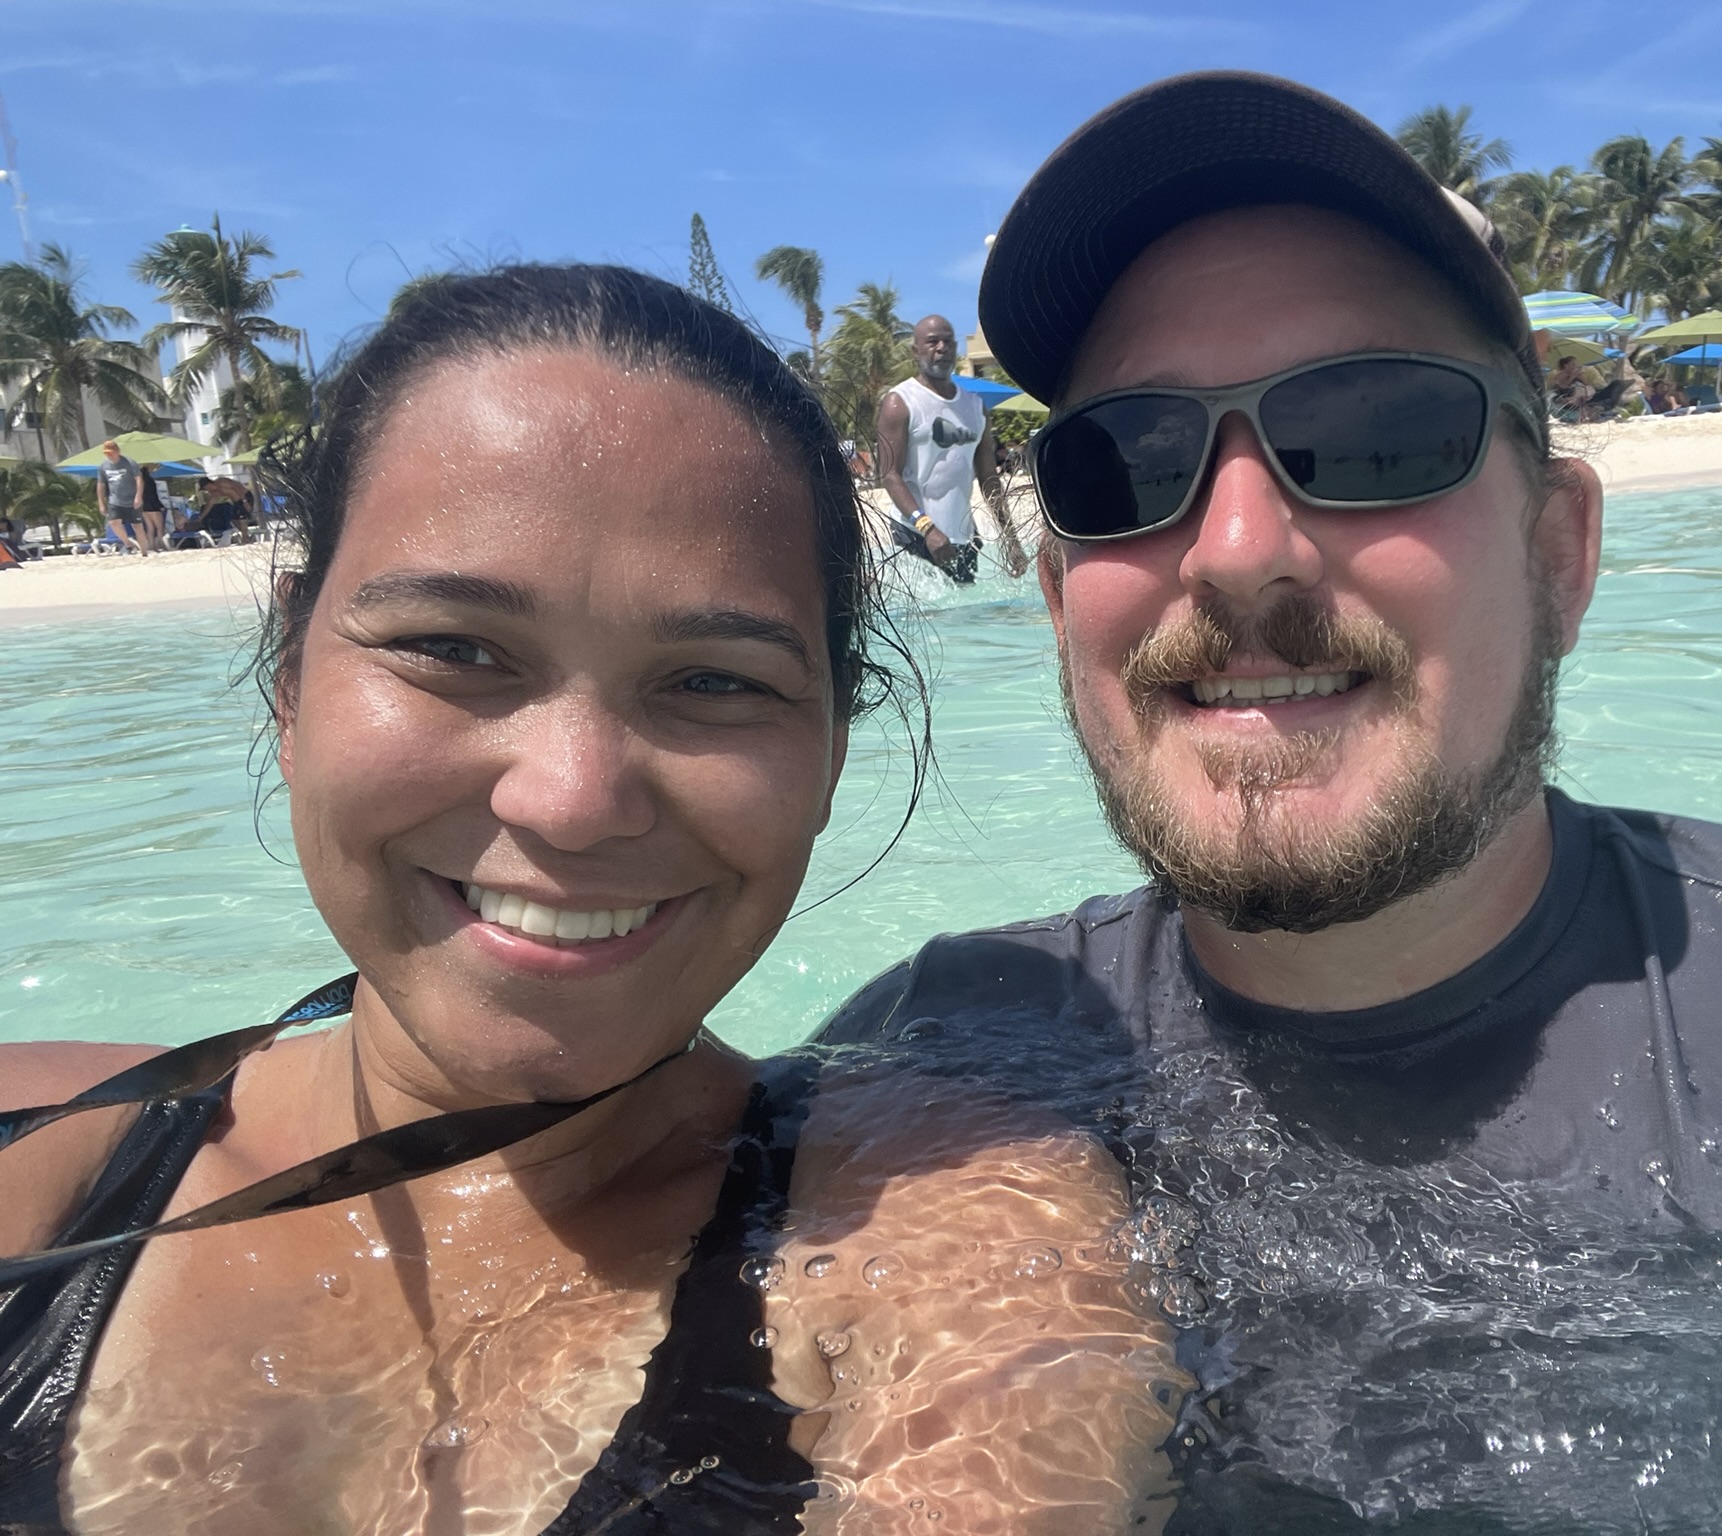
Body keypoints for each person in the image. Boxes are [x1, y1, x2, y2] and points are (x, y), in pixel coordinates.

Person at [818, 73, 1722, 1527]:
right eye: (1125, 462)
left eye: (1373, 431)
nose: (1236, 547)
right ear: (1055, 595)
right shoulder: (914, 1088)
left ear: (1562, 555)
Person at [0, 265, 1174, 1534]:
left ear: (831, 749)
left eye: (714, 682)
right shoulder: (42, 1146)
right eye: (454, 650)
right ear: (290, 678)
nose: (570, 800)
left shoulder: (950, 1253)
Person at [874, 315, 1026, 583]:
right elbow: (889, 475)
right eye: (932, 342)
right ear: (915, 350)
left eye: (947, 342)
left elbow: (990, 480)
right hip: (913, 534)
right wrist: (927, 527)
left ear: (956, 348)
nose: (941, 348)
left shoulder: (975, 407)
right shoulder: (900, 402)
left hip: (962, 537)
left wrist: (1011, 539)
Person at [93, 441, 144, 556]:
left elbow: (139, 479)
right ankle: (128, 543)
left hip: (131, 499)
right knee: (113, 522)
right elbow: (101, 485)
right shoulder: (103, 466)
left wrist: (138, 496)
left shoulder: (129, 463)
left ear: (117, 451)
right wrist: (101, 503)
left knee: (137, 526)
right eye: (106, 453)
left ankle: (144, 551)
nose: (109, 455)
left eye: (111, 453)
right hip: (114, 499)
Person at [133, 463, 165, 554]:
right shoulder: (150, 481)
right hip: (153, 506)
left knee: (150, 528)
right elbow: (153, 495)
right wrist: (160, 506)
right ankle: (161, 544)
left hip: (144, 507)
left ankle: (150, 546)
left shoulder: (139, 481)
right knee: (159, 527)